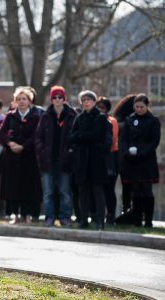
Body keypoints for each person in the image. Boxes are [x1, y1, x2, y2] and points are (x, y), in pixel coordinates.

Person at [0, 87, 42, 224]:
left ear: (29, 101)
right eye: (19, 99)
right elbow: (1, 133)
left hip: (29, 157)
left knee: (28, 187)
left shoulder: (36, 116)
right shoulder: (10, 116)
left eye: (24, 99)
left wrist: (23, 146)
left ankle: (27, 214)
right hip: (12, 158)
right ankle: (15, 214)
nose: (21, 101)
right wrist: (10, 144)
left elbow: (37, 135)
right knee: (13, 187)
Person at [35, 86, 76, 227]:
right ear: (51, 99)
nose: (57, 100)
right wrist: (41, 151)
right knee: (48, 192)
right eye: (54, 97)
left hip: (65, 160)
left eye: (60, 97)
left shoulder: (72, 115)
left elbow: (75, 137)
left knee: (65, 191)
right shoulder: (45, 116)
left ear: (64, 99)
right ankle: (49, 217)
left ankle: (65, 217)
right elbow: (38, 137)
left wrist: (71, 151)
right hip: (48, 160)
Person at [70, 90, 108, 230]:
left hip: (96, 159)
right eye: (83, 100)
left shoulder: (101, 117)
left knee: (98, 191)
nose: (86, 102)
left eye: (89, 100)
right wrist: (83, 136)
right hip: (81, 159)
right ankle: (83, 219)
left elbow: (97, 135)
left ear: (94, 101)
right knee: (83, 191)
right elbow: (72, 136)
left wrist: (81, 136)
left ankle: (100, 220)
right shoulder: (79, 118)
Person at [120, 94, 160, 227]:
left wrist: (142, 152)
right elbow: (124, 139)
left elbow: (155, 141)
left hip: (147, 161)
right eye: (136, 107)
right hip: (132, 161)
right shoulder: (129, 119)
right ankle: (137, 220)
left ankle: (148, 220)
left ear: (147, 106)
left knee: (147, 191)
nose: (139, 109)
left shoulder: (154, 120)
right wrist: (126, 152)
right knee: (136, 191)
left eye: (141, 107)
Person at [96, 97, 119, 225]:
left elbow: (113, 139)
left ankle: (110, 215)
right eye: (98, 107)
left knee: (109, 189)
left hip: (110, 157)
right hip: (97, 159)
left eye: (102, 108)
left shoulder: (112, 121)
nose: (100, 110)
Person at [113, 94, 136, 214]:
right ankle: (128, 210)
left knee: (127, 186)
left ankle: (127, 209)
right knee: (130, 186)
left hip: (123, 157)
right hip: (126, 158)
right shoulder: (124, 123)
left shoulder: (118, 122)